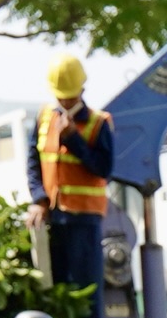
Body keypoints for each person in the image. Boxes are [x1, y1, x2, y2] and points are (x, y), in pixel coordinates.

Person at [26, 56, 114, 292]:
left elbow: (104, 169)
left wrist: (74, 140)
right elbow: (33, 162)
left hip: (84, 221)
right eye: (60, 96)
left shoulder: (98, 122)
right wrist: (39, 199)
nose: (65, 101)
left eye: (69, 96)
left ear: (82, 90)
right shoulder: (44, 117)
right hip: (52, 218)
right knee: (57, 294)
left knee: (85, 297)